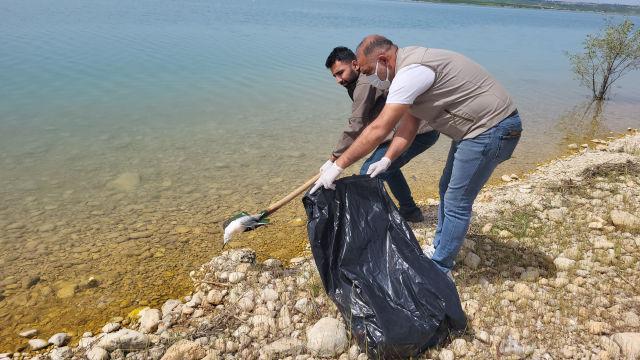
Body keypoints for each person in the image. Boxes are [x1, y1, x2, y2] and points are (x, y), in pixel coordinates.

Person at [312, 36, 523, 279]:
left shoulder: (410, 74)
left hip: (491, 129)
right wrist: (387, 159)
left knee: (457, 201)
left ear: (383, 60)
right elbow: (409, 125)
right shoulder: (405, 67)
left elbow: (379, 128)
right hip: (474, 130)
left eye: (369, 71)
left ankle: (439, 268)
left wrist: (337, 165)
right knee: (446, 188)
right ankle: (438, 248)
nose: (368, 77)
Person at [322, 46, 440, 222]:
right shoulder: (356, 82)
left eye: (340, 73)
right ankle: (410, 211)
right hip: (401, 132)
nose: (338, 80)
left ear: (355, 64)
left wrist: (334, 161)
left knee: (367, 174)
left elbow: (356, 125)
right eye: (335, 76)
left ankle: (365, 223)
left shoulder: (364, 83)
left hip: (418, 132)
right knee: (385, 167)